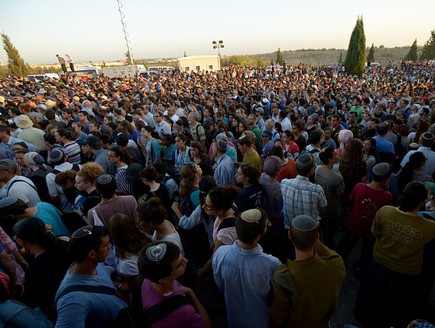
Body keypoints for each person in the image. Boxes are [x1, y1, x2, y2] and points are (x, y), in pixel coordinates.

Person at [355, 181, 435, 328]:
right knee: (395, 306)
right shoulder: (430, 227)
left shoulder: (385, 211)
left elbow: (375, 232)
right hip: (405, 273)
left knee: (372, 297)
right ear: (423, 200)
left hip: (379, 263)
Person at [270, 215, 346, 328]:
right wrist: (314, 237)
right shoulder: (336, 264)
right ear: (317, 237)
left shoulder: (283, 278)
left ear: (289, 235)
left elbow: (277, 318)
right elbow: (329, 253)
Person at [213, 209, 281, 328]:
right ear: (262, 232)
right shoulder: (272, 264)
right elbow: (276, 297)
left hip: (233, 319)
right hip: (261, 320)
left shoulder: (220, 253)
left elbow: (220, 283)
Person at [55, 225, 128, 327]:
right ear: (92, 254)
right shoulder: (72, 301)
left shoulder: (97, 264)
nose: (110, 246)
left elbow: (109, 288)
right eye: (106, 244)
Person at [337, 163, 393, 276]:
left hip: (354, 222)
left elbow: (351, 200)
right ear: (387, 179)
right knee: (366, 249)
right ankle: (360, 268)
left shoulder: (359, 186)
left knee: (346, 245)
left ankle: (337, 263)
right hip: (371, 228)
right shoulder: (387, 196)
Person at [137, 241, 210, 328]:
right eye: (179, 265)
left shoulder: (147, 281)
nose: (185, 261)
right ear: (163, 279)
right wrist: (191, 293)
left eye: (182, 255)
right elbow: (207, 325)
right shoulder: (184, 313)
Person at [13, 217, 71, 322]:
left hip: (62, 311)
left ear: (21, 241)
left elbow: (42, 303)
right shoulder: (64, 244)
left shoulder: (34, 270)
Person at [281, 153, 327, 230]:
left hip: (290, 228)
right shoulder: (317, 190)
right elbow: (323, 206)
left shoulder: (284, 183)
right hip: (309, 230)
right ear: (312, 170)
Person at [315, 147, 344, 248]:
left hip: (319, 205)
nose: (337, 155)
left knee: (321, 225)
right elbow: (340, 193)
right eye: (335, 154)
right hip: (331, 207)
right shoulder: (336, 177)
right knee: (331, 229)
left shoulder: (318, 169)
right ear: (329, 159)